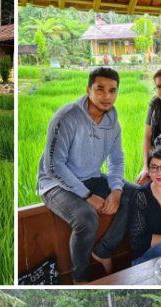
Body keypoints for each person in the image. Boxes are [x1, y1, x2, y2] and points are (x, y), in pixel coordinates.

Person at [36, 67, 139, 283]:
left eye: (112, 91)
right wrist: (87, 196)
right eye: (100, 89)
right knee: (86, 218)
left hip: (90, 176)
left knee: (136, 195)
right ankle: (80, 278)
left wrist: (117, 190)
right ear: (88, 90)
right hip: (55, 183)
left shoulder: (113, 124)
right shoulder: (66, 117)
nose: (106, 96)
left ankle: (104, 250)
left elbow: (116, 160)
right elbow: (53, 165)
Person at [93, 145, 161, 267]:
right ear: (148, 171)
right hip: (146, 261)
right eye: (154, 168)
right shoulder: (141, 196)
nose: (159, 173)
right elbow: (137, 242)